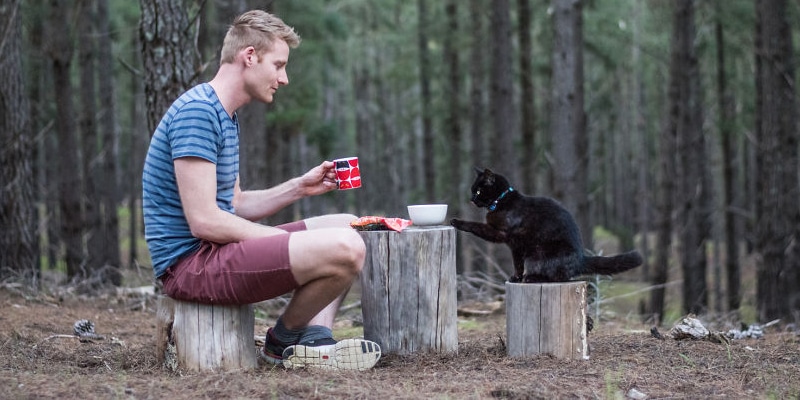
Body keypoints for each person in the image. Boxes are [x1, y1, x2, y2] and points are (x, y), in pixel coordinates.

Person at [141, 10, 380, 371]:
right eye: (278, 65)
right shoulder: (198, 113)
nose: (284, 79)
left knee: (350, 226)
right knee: (346, 248)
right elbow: (204, 221)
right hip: (191, 266)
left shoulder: (224, 114)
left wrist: (299, 187)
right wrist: (283, 241)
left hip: (215, 253)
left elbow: (233, 204)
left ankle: (315, 340)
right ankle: (283, 341)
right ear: (249, 56)